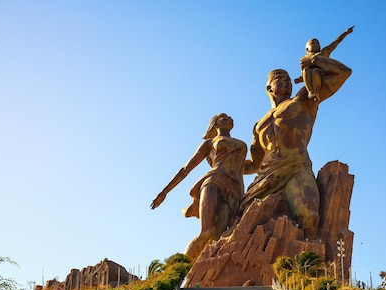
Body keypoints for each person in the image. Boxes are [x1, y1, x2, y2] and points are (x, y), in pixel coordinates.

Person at [241, 50, 352, 240]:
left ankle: (309, 264)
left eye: (288, 79)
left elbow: (343, 73)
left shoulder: (303, 99)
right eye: (280, 78)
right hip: (265, 176)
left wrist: (314, 60)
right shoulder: (258, 125)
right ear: (269, 88)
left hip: (296, 167)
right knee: (241, 221)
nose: (286, 81)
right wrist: (224, 165)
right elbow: (254, 164)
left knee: (309, 215)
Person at [151, 113, 250, 260]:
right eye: (223, 117)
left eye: (229, 116)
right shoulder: (209, 144)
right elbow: (186, 169)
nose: (229, 118)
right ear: (215, 125)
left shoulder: (241, 144)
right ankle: (179, 271)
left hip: (235, 190)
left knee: (219, 235)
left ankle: (211, 275)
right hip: (214, 182)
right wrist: (164, 192)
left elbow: (250, 166)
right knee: (207, 232)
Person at [294, 26, 354, 101]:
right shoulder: (304, 58)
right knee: (306, 70)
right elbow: (302, 70)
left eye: (318, 43)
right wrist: (300, 78)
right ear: (307, 48)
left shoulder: (323, 52)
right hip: (308, 74)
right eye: (313, 43)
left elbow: (336, 42)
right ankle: (311, 91)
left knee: (315, 72)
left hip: (321, 72)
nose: (316, 44)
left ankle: (316, 92)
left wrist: (345, 33)